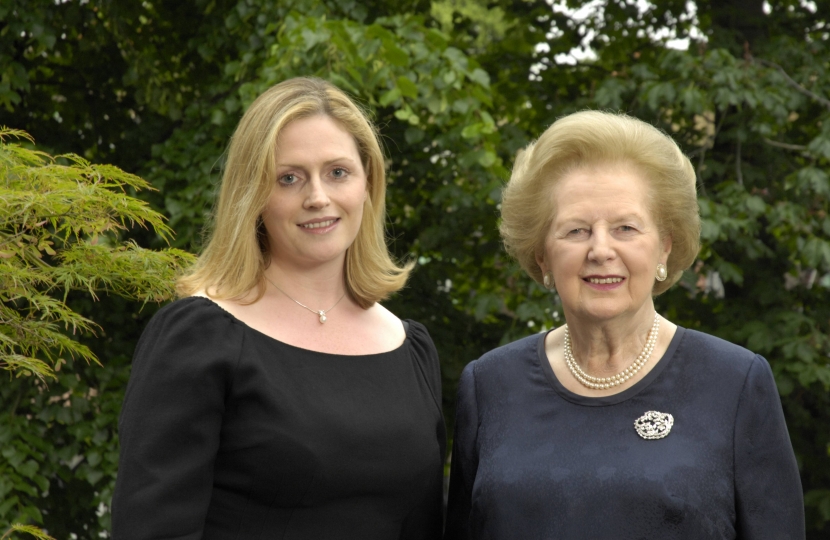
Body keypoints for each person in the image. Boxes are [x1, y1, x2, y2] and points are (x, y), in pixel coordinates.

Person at [444, 110, 804, 539]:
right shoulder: (488, 385)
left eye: (626, 228)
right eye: (576, 230)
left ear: (664, 248)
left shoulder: (735, 382)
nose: (600, 249)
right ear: (542, 256)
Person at [112, 77, 445, 539]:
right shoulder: (200, 336)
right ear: (253, 196)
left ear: (368, 182)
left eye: (337, 172)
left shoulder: (411, 349)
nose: (317, 197)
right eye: (289, 178)